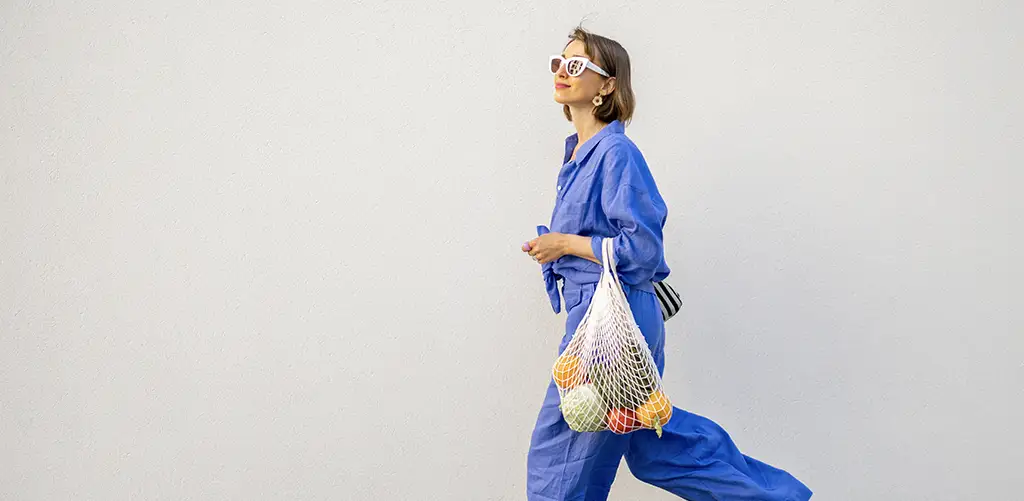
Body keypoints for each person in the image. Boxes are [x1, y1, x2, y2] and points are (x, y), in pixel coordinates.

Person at [521, 27, 813, 501]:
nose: (562, 73)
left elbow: (642, 251)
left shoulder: (615, 153)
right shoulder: (577, 155)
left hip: (611, 319)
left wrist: (565, 245)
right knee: (652, 445)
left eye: (577, 66)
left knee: (560, 454)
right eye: (559, 62)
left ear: (608, 85)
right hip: (601, 316)